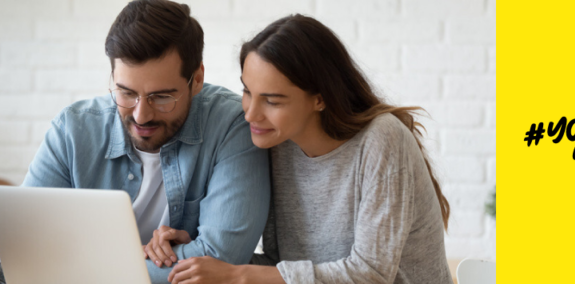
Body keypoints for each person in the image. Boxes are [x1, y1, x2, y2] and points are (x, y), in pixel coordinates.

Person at [151, 14, 454, 284]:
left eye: (272, 100)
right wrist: (200, 256)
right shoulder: (277, 145)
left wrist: (238, 275)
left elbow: (372, 274)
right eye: (247, 91)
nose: (250, 114)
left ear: (320, 99)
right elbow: (282, 269)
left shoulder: (382, 140)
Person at [0, 1, 271, 283]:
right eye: (126, 93)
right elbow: (9, 254)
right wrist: (161, 258)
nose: (141, 115)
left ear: (196, 79)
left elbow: (221, 259)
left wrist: (76, 267)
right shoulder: (72, 130)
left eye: (161, 97)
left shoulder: (232, 125)